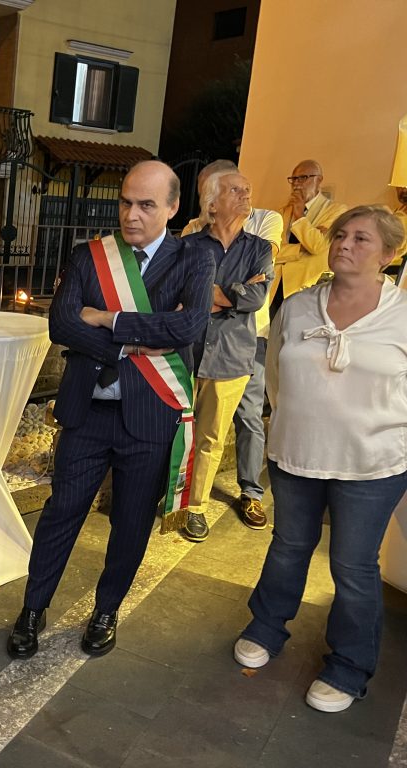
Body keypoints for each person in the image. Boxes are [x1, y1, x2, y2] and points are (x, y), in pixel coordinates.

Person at [7, 160, 214, 660]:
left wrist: (106, 319)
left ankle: (106, 609)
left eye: (146, 204)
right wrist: (134, 341)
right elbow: (62, 325)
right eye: (125, 201)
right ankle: (32, 610)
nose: (132, 214)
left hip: (150, 416)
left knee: (131, 522)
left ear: (172, 207)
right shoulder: (89, 256)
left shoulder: (194, 260)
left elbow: (188, 330)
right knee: (61, 515)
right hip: (89, 414)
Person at [234, 206, 407, 713]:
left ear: (390, 255)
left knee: (352, 567)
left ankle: (349, 666)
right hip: (297, 453)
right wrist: (294, 422)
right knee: (288, 546)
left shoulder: (401, 316)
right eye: (340, 235)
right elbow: (275, 373)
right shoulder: (300, 307)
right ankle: (266, 627)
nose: (345, 245)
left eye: (361, 239)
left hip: (371, 464)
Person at [179, 171, 273, 541]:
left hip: (231, 356)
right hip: (186, 350)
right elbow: (181, 292)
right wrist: (230, 294)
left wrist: (210, 294)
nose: (246, 194)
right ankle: (168, 495)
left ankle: (194, 507)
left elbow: (257, 298)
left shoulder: (259, 249)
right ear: (212, 204)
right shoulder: (190, 245)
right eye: (236, 190)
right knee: (174, 430)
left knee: (211, 436)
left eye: (248, 189)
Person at [272, 160, 347, 305]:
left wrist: (300, 216)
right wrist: (301, 248)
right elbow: (271, 251)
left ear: (319, 180)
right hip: (275, 284)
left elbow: (317, 246)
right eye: (293, 179)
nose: (296, 184)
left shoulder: (336, 211)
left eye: (303, 178)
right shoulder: (281, 212)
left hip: (305, 287)